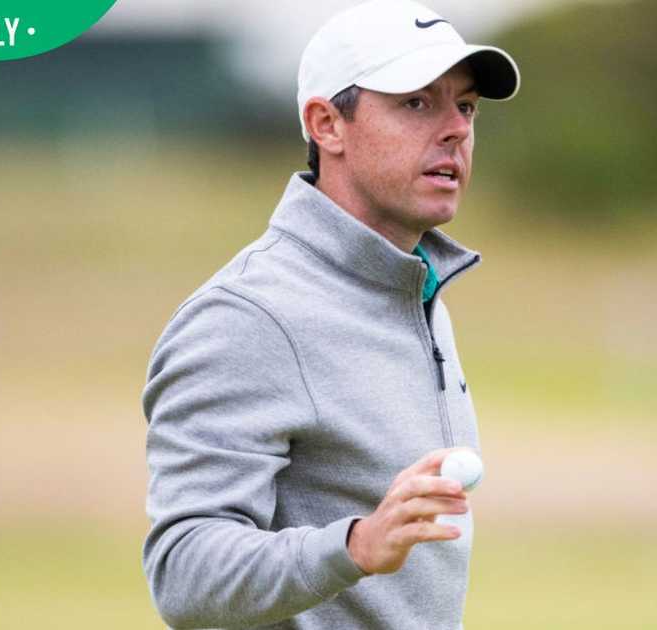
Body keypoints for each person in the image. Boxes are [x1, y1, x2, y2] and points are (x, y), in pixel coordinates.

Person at [141, 1, 520, 628]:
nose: (455, 128)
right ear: (327, 125)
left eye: (466, 106)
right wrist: (354, 547)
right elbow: (184, 574)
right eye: (417, 103)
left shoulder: (414, 288)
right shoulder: (248, 316)